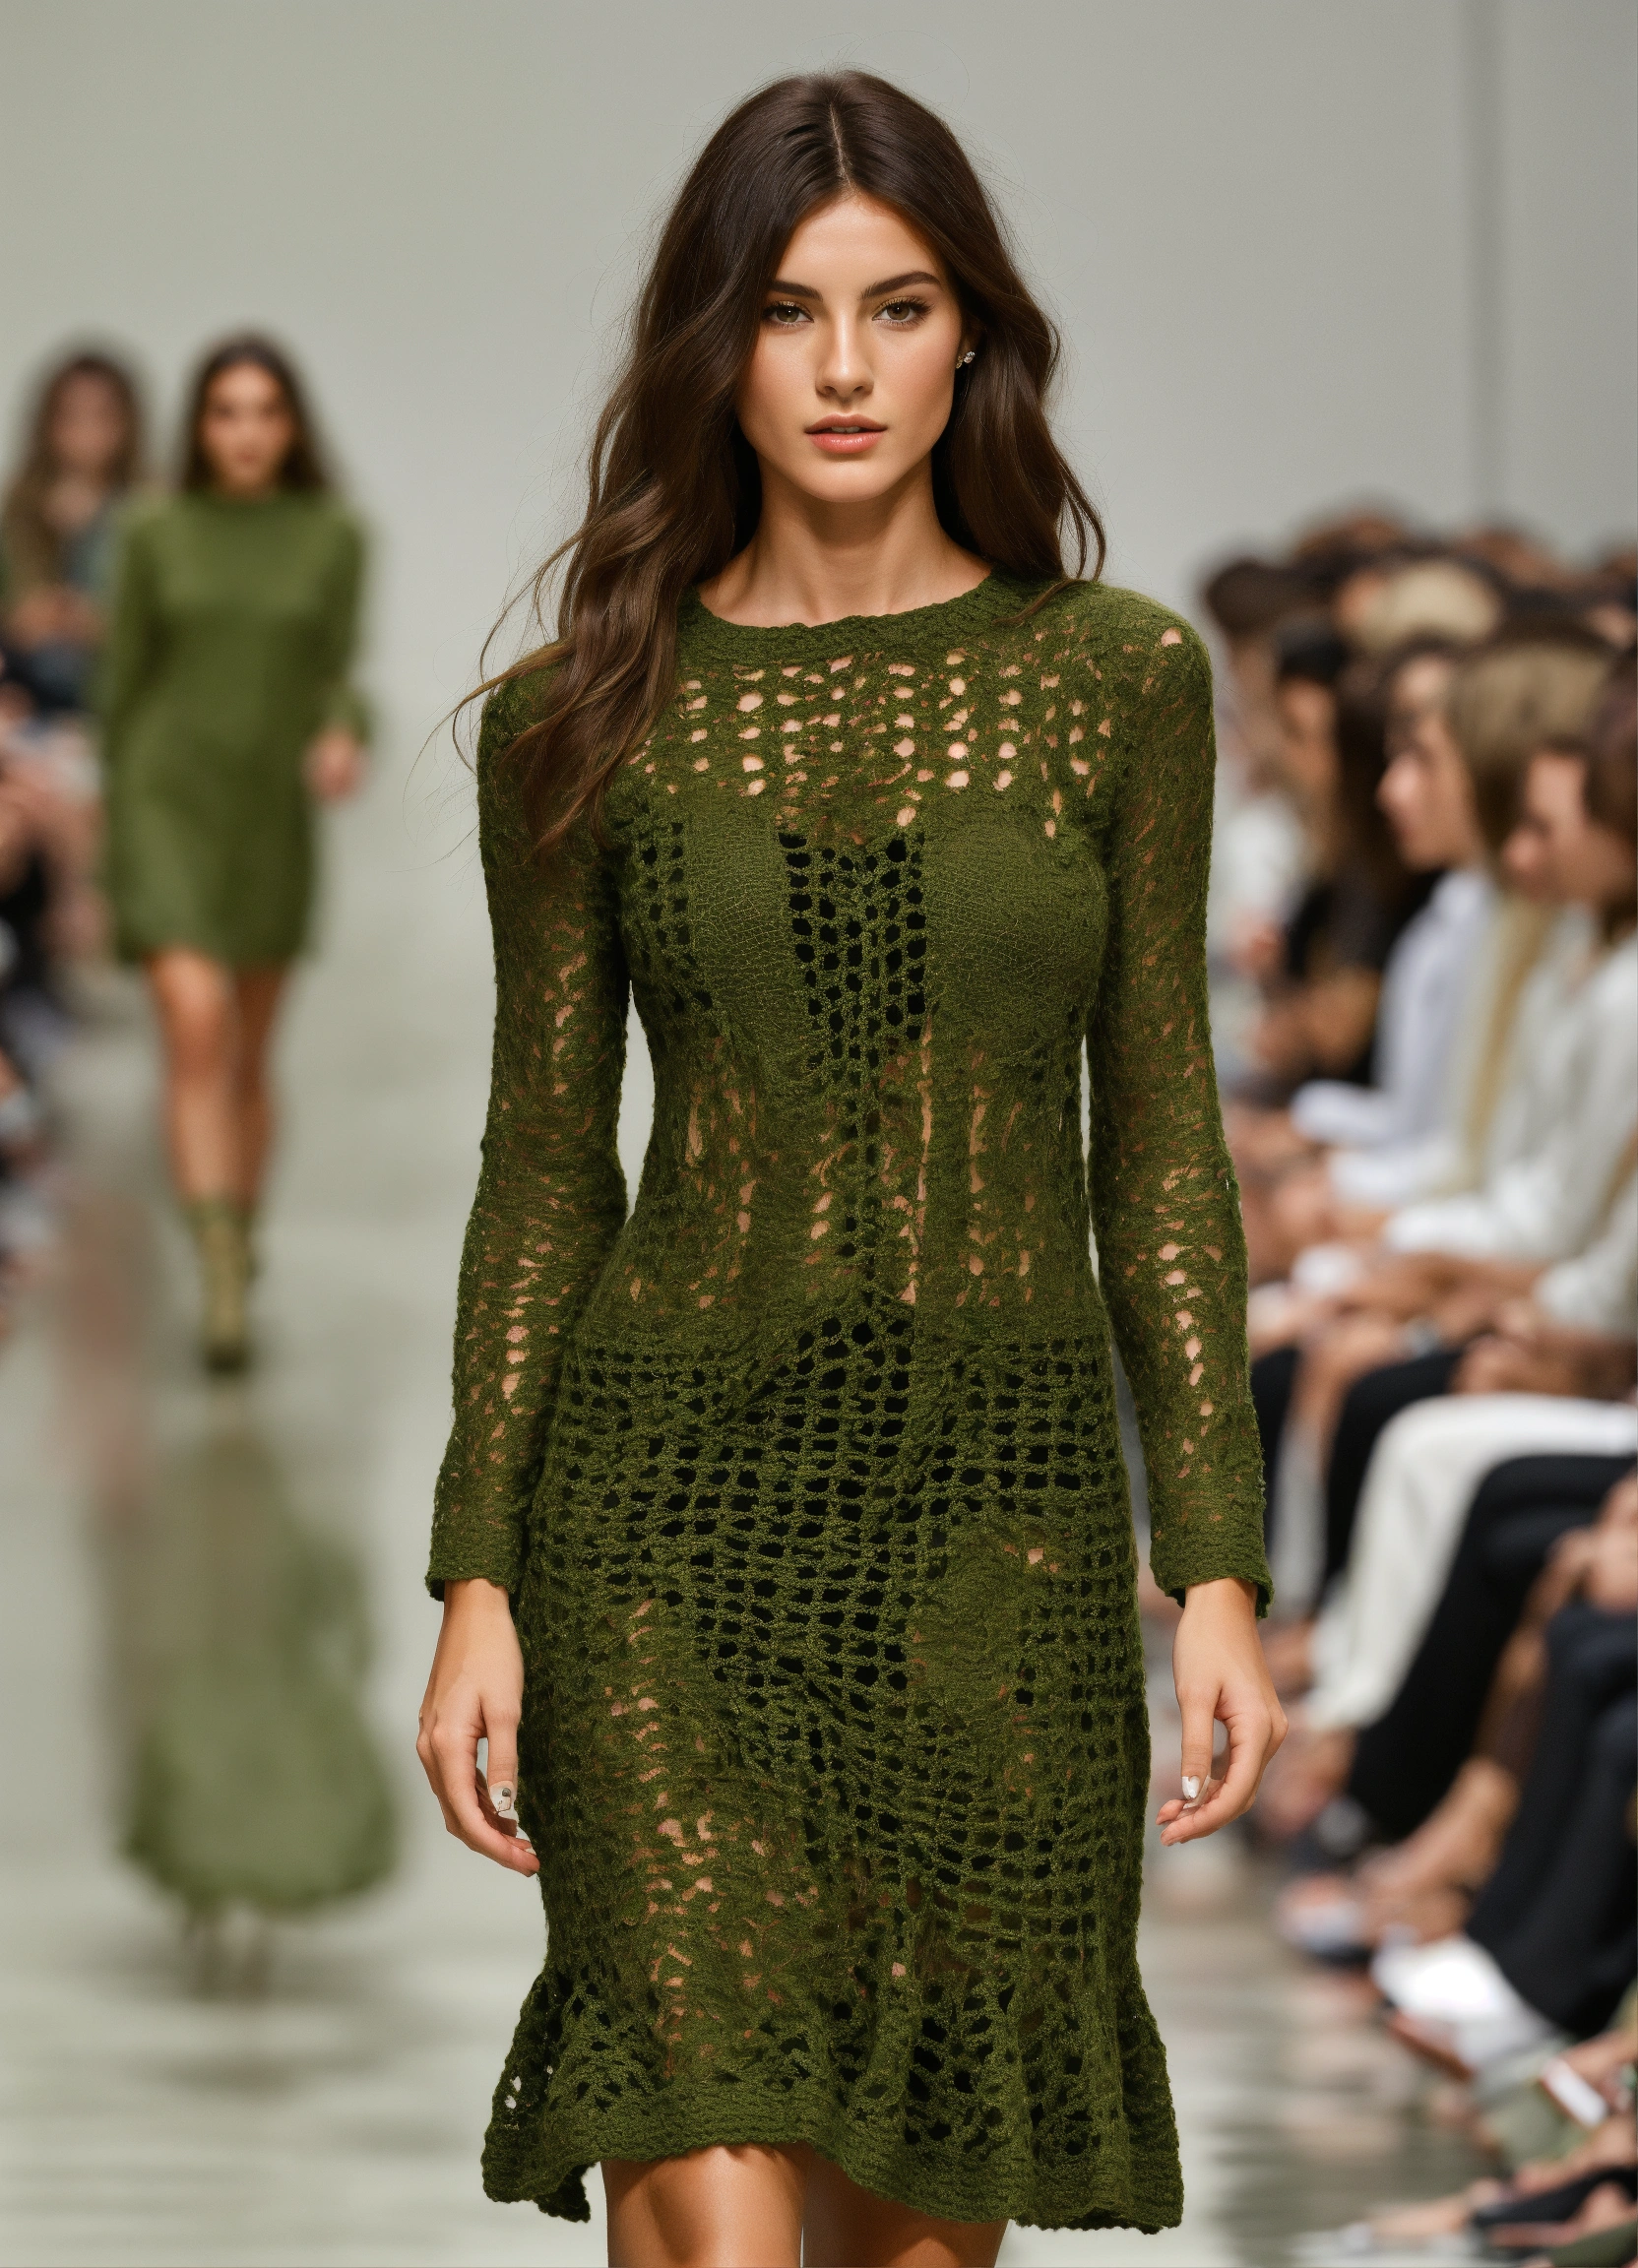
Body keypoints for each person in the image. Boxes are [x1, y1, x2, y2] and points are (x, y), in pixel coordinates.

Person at [415, 72, 1283, 2268]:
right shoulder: (582, 718)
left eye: (895, 309)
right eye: (787, 313)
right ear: (712, 345)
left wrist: (1213, 1563)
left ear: (969, 333)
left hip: (998, 1545)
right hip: (659, 1539)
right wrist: (477, 1575)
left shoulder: (1111, 684)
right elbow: (544, 1167)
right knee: (711, 2204)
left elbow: (1158, 1142)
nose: (840, 369)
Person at [98, 336, 367, 1370]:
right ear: (198, 425)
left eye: (265, 411)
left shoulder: (330, 537)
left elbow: (337, 671)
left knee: (249, 1054)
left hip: (267, 818)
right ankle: (216, 1269)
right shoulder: (154, 533)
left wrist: (342, 731)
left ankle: (240, 1236)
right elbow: (122, 684)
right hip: (164, 800)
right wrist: (104, 839)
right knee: (196, 1025)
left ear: (292, 426)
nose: (246, 432)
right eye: (226, 411)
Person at [0, 349, 145, 716]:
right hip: (27, 702)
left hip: (118, 702)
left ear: (126, 424)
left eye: (102, 416)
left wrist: (98, 624)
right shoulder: (19, 511)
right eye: (70, 416)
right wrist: (22, 621)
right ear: (47, 424)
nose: (86, 433)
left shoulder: (148, 513)